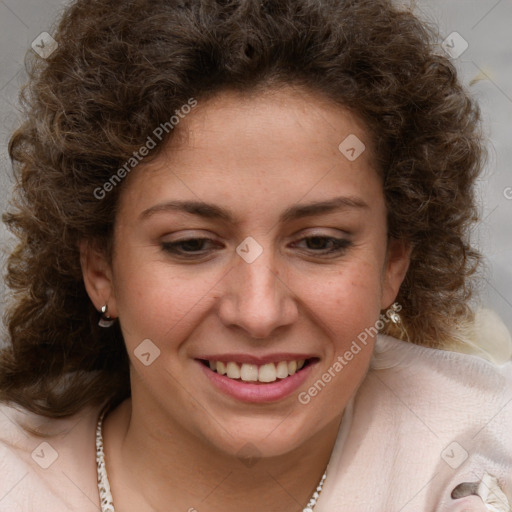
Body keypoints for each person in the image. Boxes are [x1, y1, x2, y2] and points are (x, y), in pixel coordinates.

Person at [0, 0, 511, 510]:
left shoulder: (484, 459)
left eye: (319, 242)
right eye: (192, 245)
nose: (259, 313)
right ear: (100, 270)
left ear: (393, 264)